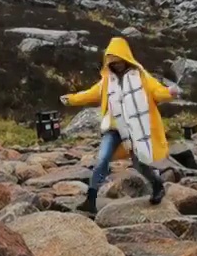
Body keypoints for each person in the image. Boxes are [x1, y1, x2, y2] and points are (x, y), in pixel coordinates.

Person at [59, 37, 180, 214]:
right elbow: (90, 94)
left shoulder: (142, 77)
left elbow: (157, 92)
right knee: (102, 160)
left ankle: (157, 186)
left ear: (125, 58)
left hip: (135, 129)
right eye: (112, 62)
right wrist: (71, 99)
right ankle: (91, 200)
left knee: (140, 163)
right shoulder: (107, 81)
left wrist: (170, 92)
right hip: (114, 129)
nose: (116, 65)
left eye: (118, 61)